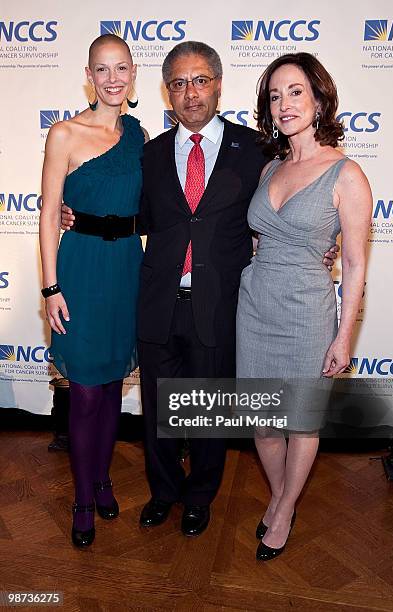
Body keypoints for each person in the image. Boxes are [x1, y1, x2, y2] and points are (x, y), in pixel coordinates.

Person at [61, 41, 337, 538]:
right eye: (179, 83)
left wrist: (319, 245)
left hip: (223, 305)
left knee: (209, 408)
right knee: (159, 409)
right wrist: (76, 217)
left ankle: (199, 497)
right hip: (158, 300)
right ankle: (163, 492)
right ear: (168, 93)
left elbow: (288, 207)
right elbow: (129, 214)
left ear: (217, 84)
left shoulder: (256, 150)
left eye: (200, 80)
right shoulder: (147, 153)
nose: (191, 92)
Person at [236, 52, 372, 560]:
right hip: (255, 305)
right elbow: (258, 238)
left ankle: (286, 508)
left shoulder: (346, 174)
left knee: (300, 421)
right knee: (263, 422)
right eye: (275, 95)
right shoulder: (270, 166)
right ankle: (279, 495)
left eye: (295, 92)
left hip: (307, 311)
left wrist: (344, 336)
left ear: (318, 99)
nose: (284, 103)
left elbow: (355, 265)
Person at [39, 34, 145, 548]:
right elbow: (46, 213)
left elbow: (150, 207)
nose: (112, 79)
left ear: (132, 73)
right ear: (89, 74)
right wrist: (50, 286)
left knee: (109, 390)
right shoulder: (64, 134)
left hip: (126, 267)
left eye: (120, 68)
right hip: (79, 269)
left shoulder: (139, 134)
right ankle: (82, 496)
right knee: (83, 393)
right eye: (102, 70)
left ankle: (102, 478)